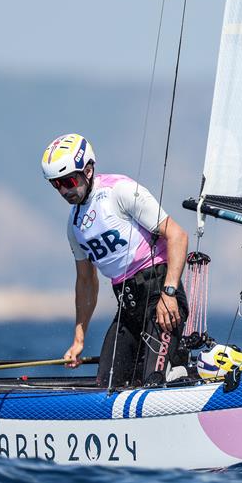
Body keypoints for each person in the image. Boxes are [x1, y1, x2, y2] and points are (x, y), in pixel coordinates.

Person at [41, 133, 189, 388]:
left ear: (88, 170)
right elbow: (86, 281)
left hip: (160, 297)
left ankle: (176, 366)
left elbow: (178, 235)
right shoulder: (74, 225)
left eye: (69, 180)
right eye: (56, 185)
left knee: (152, 384)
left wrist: (169, 293)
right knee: (105, 388)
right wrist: (79, 338)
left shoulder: (119, 191)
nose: (64, 190)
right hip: (128, 311)